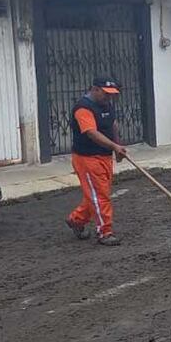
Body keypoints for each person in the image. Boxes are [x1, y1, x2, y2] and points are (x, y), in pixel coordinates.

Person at [66, 77, 128, 246]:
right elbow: (91, 133)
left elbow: (113, 124)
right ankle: (105, 232)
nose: (109, 98)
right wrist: (114, 146)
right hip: (87, 158)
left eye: (111, 94)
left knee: (96, 194)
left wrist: (118, 146)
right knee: (100, 196)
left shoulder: (106, 104)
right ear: (94, 89)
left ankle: (76, 219)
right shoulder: (83, 108)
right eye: (106, 93)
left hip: (105, 157)